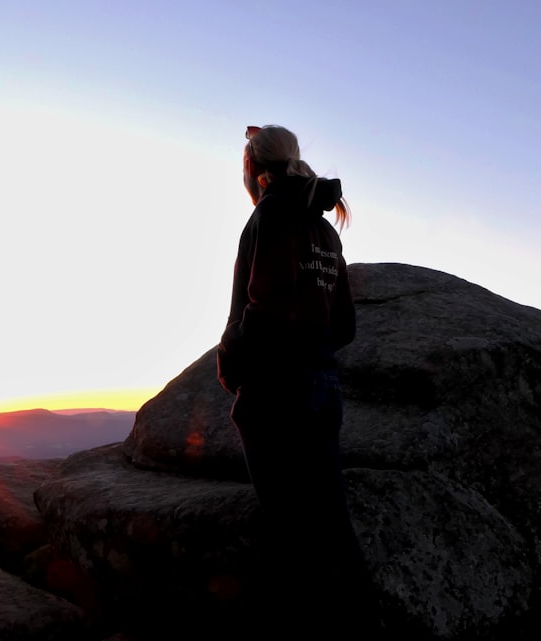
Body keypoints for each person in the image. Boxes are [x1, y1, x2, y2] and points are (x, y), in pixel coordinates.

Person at [216, 124, 382, 634]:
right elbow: (346, 324)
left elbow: (262, 304)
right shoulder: (325, 228)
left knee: (288, 530)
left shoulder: (268, 217)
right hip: (321, 385)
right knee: (332, 524)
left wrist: (233, 362)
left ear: (254, 170)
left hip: (273, 388)